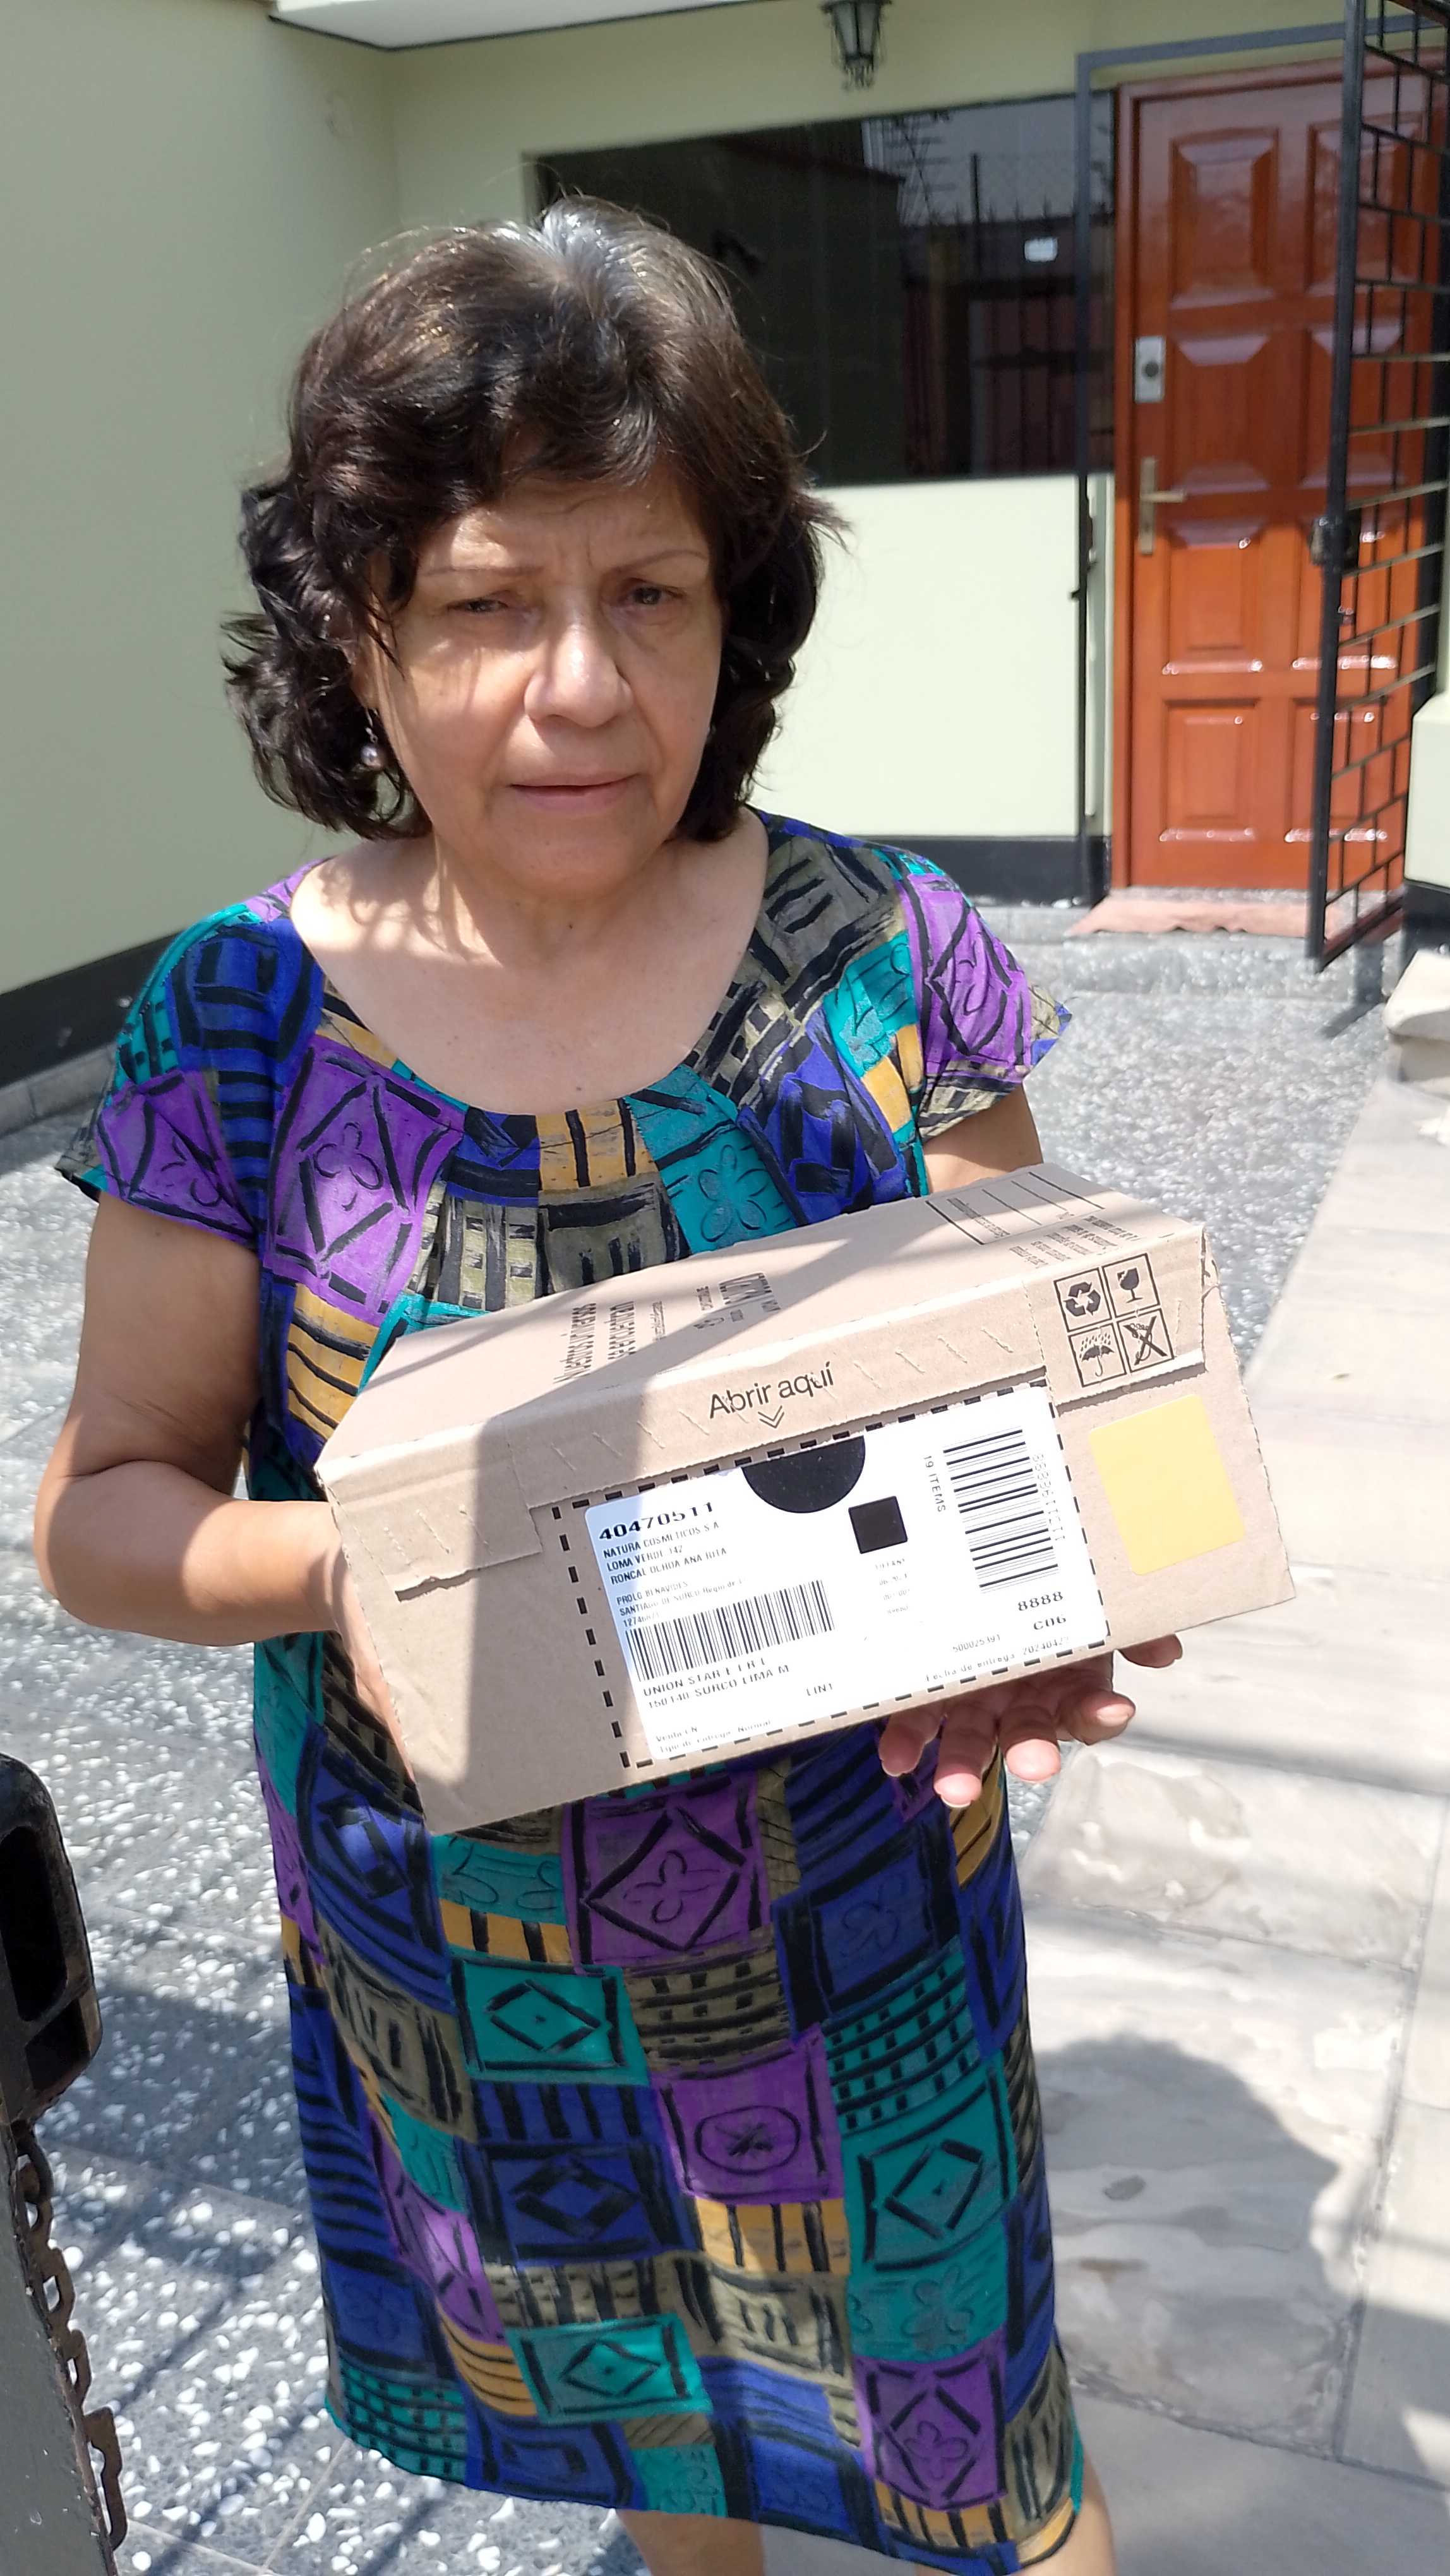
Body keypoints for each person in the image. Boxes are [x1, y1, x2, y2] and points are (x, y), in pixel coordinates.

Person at [35, 207, 1177, 2575]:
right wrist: (360, 1566)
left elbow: (1047, 1409)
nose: (579, 689)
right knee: (667, 2456)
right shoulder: (239, 1026)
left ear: (733, 615)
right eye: (483, 604)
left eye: (648, 592)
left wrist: (1060, 1589)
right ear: (357, 631)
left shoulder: (881, 960)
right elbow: (107, 1512)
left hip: (863, 1939)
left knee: (990, 2458)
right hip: (482, 1990)